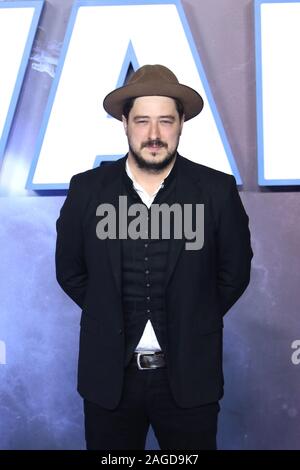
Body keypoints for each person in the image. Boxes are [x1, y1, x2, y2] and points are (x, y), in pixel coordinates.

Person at [55, 64, 253, 450]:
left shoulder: (216, 190)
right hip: (109, 378)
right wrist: (107, 310)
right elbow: (70, 271)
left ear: (181, 124)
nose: (154, 134)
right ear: (125, 123)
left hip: (190, 376)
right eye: (142, 121)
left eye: (165, 121)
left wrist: (194, 314)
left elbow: (235, 273)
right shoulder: (86, 190)